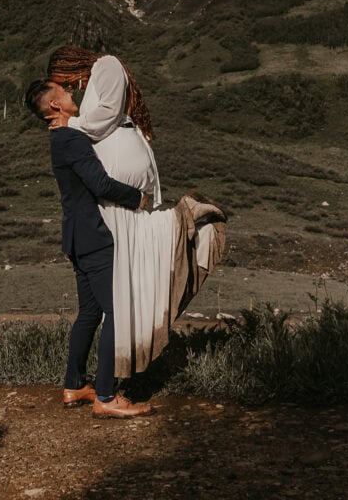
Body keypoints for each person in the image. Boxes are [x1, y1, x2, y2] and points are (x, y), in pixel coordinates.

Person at [46, 45, 227, 378]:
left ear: (66, 66)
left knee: (110, 291)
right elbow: (101, 123)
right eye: (59, 86)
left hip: (100, 210)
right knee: (122, 293)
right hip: (116, 197)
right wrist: (69, 122)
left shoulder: (106, 66)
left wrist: (69, 122)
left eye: (59, 80)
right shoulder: (74, 125)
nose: (64, 87)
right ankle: (107, 388)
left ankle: (83, 381)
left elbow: (103, 117)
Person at [25, 78, 153, 419]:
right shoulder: (72, 138)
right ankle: (107, 395)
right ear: (55, 106)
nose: (72, 94)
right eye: (65, 93)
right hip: (94, 238)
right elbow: (100, 184)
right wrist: (138, 198)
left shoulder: (60, 139)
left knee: (90, 313)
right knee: (116, 311)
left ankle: (75, 385)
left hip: (77, 238)